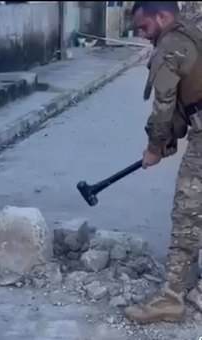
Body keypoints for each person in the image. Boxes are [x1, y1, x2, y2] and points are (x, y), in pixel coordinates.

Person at [124, 1, 202, 324]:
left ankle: (171, 297)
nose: (142, 35)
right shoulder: (192, 32)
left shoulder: (169, 46)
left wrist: (156, 147)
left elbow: (164, 105)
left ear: (163, 16)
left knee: (187, 210)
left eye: (145, 27)